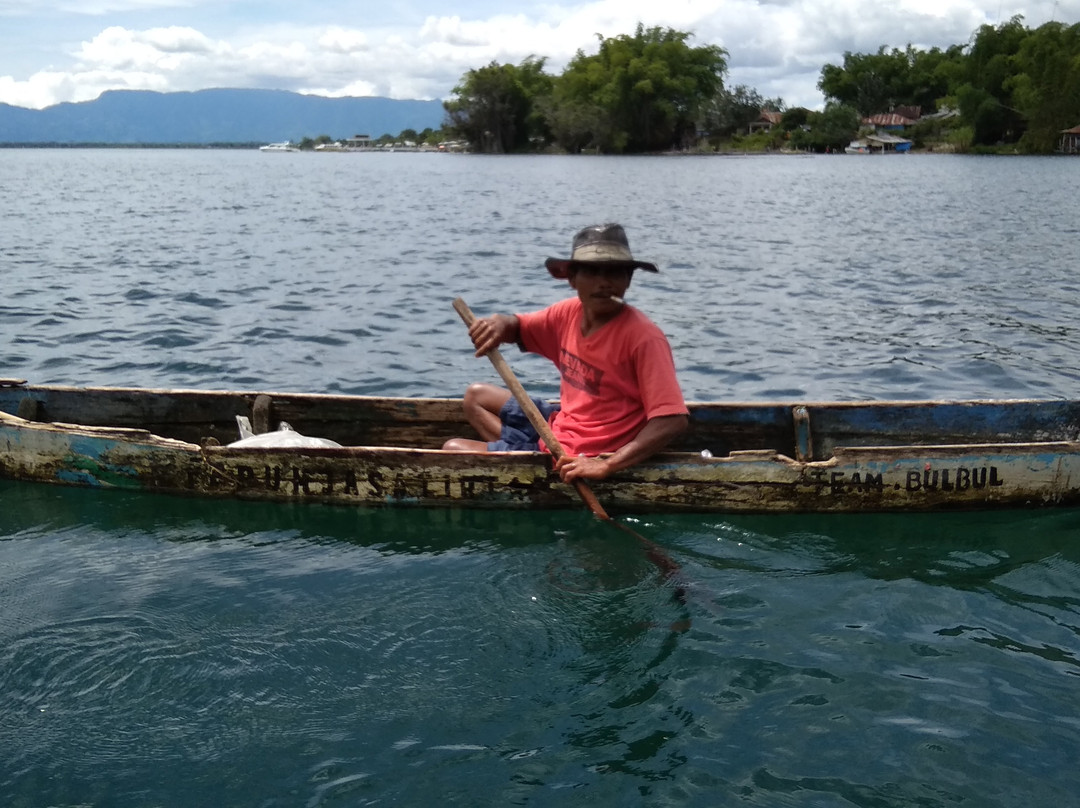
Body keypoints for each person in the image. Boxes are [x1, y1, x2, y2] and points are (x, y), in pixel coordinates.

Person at [442, 223, 688, 484]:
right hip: (558, 427)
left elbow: (672, 421)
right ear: (572, 279)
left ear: (628, 279)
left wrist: (605, 465)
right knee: (476, 396)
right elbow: (519, 327)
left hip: (583, 454)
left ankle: (530, 462)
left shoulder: (644, 338)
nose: (604, 283)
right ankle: (521, 454)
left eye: (615, 273)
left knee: (452, 450)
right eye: (592, 272)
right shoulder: (568, 313)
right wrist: (500, 325)